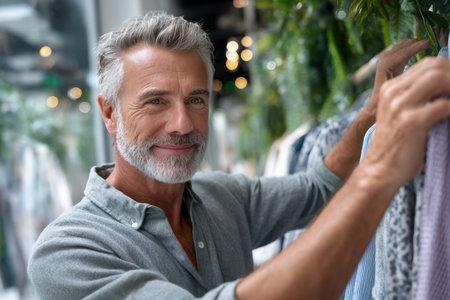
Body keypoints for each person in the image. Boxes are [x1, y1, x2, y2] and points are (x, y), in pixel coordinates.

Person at [27, 12, 450, 300]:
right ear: (109, 114)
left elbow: (318, 187)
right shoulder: (67, 252)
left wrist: (368, 119)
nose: (182, 123)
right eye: (155, 102)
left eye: (196, 100)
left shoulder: (220, 197)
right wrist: (380, 172)